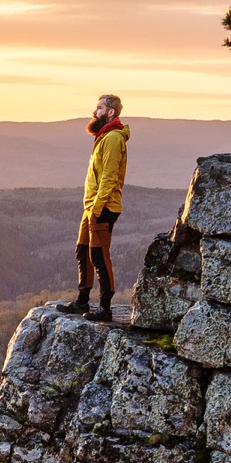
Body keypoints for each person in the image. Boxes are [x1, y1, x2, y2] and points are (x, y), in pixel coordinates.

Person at [68, 92, 128, 317]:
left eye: (99, 108)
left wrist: (97, 208)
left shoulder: (113, 138)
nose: (95, 112)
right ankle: (82, 302)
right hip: (92, 206)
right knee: (82, 250)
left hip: (103, 207)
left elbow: (109, 178)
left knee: (99, 255)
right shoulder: (103, 136)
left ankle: (105, 307)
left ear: (110, 112)